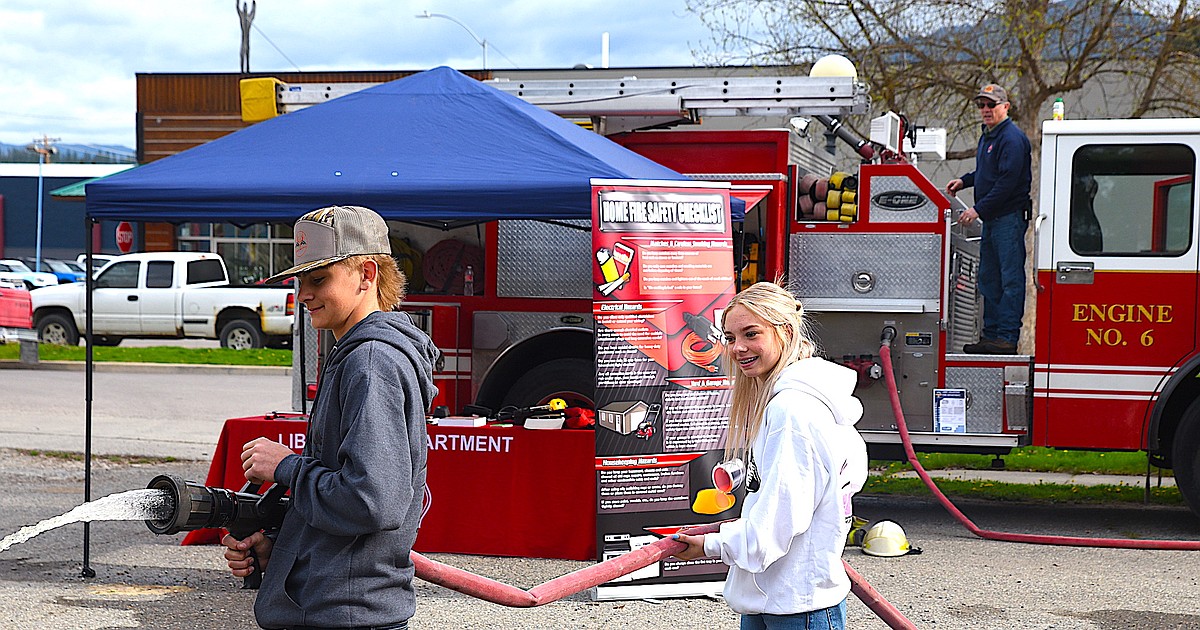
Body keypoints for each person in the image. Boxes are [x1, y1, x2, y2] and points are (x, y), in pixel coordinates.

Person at [222, 205, 439, 630]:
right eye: (300, 281)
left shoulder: (371, 361)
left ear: (368, 274)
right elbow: (350, 501)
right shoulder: (357, 354)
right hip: (338, 605)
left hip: (346, 614)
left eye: (319, 279)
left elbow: (372, 502)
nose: (303, 293)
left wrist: (284, 466)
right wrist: (283, 548)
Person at [673, 282, 868, 630]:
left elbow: (772, 531)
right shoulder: (806, 401)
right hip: (778, 598)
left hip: (797, 607)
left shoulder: (792, 412)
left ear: (786, 332)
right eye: (730, 338)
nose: (738, 348)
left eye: (751, 334)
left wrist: (708, 545)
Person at [946, 83, 1033, 355]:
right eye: (981, 105)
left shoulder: (1012, 139)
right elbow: (987, 173)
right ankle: (991, 335)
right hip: (993, 220)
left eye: (991, 105)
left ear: (1005, 107)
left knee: (1009, 280)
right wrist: (965, 181)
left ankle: (1007, 337)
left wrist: (978, 209)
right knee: (988, 279)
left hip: (1007, 219)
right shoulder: (989, 137)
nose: (985, 110)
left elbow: (1006, 182)